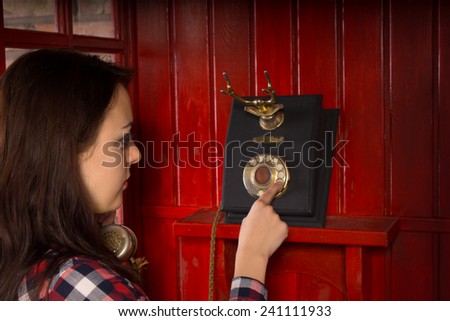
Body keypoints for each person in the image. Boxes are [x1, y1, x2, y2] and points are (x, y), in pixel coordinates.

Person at [0, 48, 288, 301]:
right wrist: (252, 259)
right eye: (122, 140)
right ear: (64, 155)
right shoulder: (79, 281)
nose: (135, 154)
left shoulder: (26, 257)